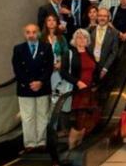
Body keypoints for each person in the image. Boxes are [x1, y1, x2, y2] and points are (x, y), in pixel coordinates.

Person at [12, 24, 53, 152]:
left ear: (39, 33)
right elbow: (17, 69)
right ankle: (29, 143)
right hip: (25, 88)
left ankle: (41, 141)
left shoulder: (46, 47)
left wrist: (40, 82)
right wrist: (30, 82)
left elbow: (49, 67)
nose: (31, 35)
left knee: (42, 115)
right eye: (28, 32)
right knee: (27, 117)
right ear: (25, 34)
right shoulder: (18, 49)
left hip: (43, 87)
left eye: (34, 32)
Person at [60, 29, 99, 138]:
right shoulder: (69, 53)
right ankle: (75, 138)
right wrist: (77, 82)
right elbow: (63, 72)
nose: (82, 40)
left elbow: (95, 70)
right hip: (77, 89)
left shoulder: (90, 54)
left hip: (90, 90)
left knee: (92, 115)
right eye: (79, 37)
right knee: (80, 114)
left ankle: (83, 136)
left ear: (87, 40)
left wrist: (95, 83)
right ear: (74, 40)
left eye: (84, 37)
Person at [40, 14, 70, 109]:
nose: (51, 22)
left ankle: (53, 119)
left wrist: (61, 63)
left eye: (54, 20)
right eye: (49, 20)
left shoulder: (61, 38)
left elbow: (66, 53)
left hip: (57, 70)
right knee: (44, 97)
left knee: (55, 95)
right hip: (44, 70)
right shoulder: (41, 38)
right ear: (45, 23)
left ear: (57, 23)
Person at [88, 8, 119, 79]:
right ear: (97, 17)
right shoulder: (89, 30)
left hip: (104, 67)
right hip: (90, 66)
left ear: (108, 18)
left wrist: (105, 68)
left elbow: (114, 53)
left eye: (105, 16)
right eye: (100, 16)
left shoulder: (114, 33)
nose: (102, 18)